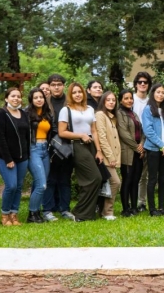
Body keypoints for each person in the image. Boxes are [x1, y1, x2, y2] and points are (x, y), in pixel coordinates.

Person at [58, 82, 104, 222]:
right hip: (77, 145)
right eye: (74, 92)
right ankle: (80, 212)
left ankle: (85, 213)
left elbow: (94, 131)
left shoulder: (90, 108)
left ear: (84, 93)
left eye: (79, 92)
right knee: (95, 178)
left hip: (91, 145)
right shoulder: (66, 110)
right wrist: (80, 135)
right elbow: (62, 132)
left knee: (92, 180)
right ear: (70, 95)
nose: (77, 94)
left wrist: (99, 150)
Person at [0, 88, 30, 226]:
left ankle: (14, 215)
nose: (16, 98)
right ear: (6, 98)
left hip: (23, 158)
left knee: (19, 187)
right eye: (13, 96)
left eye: (18, 96)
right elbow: (0, 138)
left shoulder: (24, 114)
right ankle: (5, 214)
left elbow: (27, 136)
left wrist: (28, 156)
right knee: (11, 185)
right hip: (5, 158)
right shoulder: (1, 114)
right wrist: (8, 159)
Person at [42, 74, 75, 222]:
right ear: (49, 86)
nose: (56, 87)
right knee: (50, 178)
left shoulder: (70, 101)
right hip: (48, 143)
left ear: (63, 86)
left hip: (68, 142)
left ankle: (65, 209)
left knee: (65, 178)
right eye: (53, 84)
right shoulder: (43, 102)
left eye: (59, 84)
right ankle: (48, 210)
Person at [142, 83, 164, 216]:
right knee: (152, 179)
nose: (160, 95)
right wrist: (162, 146)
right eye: (158, 92)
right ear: (153, 93)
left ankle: (162, 207)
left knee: (163, 179)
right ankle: (152, 209)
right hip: (153, 150)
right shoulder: (148, 109)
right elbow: (148, 131)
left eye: (163, 92)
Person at [24, 88, 53, 224]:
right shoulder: (26, 114)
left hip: (45, 149)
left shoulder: (47, 114)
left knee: (40, 183)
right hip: (33, 149)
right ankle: (32, 214)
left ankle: (36, 213)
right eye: (36, 98)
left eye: (41, 97)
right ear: (31, 100)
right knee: (41, 184)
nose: (39, 100)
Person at [116, 89, 145, 217]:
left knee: (135, 179)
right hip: (128, 152)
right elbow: (124, 134)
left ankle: (134, 207)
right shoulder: (119, 113)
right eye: (126, 98)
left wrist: (142, 145)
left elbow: (142, 131)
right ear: (121, 100)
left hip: (138, 152)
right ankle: (125, 208)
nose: (129, 101)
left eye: (131, 98)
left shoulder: (134, 114)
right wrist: (136, 147)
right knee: (127, 180)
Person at [95, 91, 121, 221]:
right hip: (105, 157)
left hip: (112, 157)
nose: (111, 102)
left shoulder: (112, 117)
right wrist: (110, 156)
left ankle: (102, 211)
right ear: (103, 102)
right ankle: (107, 212)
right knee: (115, 182)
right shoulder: (100, 115)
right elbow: (102, 137)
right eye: (108, 100)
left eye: (113, 100)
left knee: (107, 184)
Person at [133, 71, 152, 213]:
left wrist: (143, 144)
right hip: (131, 140)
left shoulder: (151, 101)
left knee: (144, 175)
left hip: (147, 140)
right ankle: (130, 202)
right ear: (135, 84)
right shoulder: (130, 99)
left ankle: (141, 202)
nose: (143, 84)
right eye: (140, 82)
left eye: (145, 82)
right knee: (131, 174)